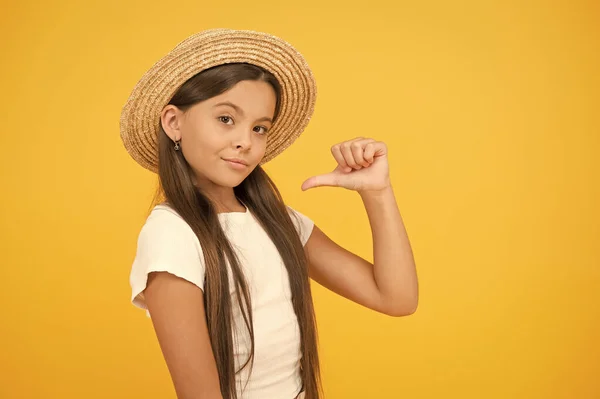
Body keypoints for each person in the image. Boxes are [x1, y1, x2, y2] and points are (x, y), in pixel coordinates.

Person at [120, 28, 418, 399]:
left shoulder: (277, 221)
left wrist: (378, 192)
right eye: (226, 119)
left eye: (259, 128)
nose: (245, 141)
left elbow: (397, 298)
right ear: (173, 123)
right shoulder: (172, 235)